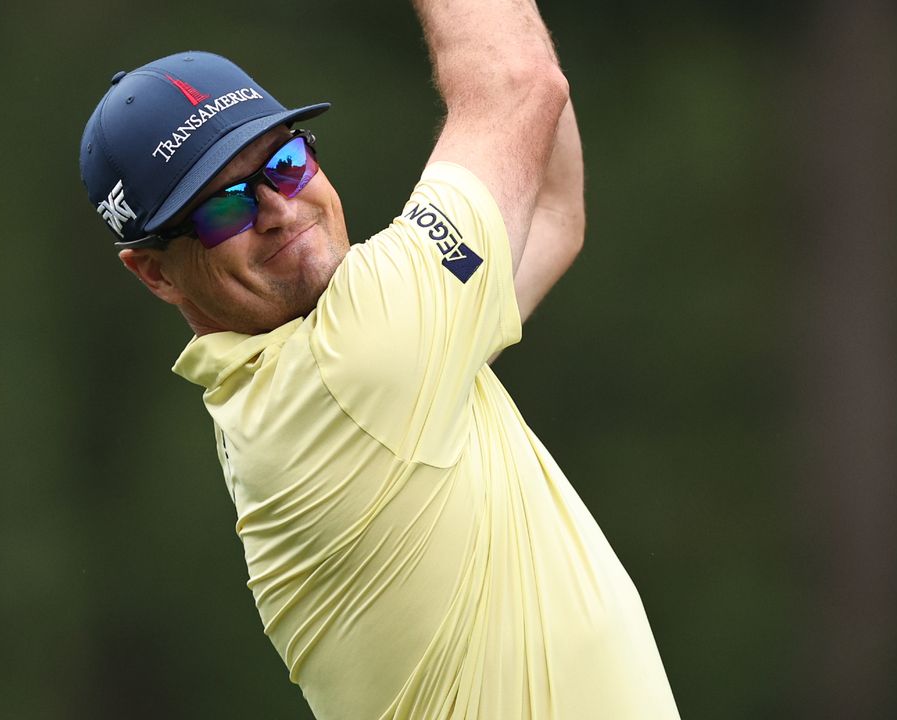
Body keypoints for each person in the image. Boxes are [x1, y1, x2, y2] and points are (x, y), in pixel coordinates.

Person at [78, 1, 679, 717]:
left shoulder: (363, 359)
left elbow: (549, 205)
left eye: (287, 161)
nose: (278, 207)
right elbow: (516, 83)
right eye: (221, 209)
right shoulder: (353, 361)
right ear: (155, 272)